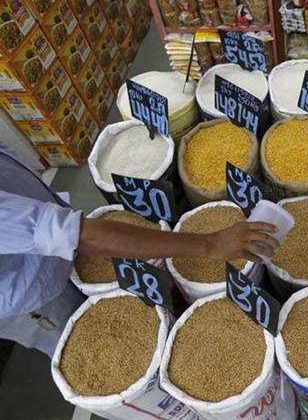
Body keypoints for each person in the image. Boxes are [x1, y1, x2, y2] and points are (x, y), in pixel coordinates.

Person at [0, 144, 279, 357]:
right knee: (103, 348)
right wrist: (211, 244)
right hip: (35, 294)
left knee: (141, 323)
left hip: (55, 242)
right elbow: (79, 234)